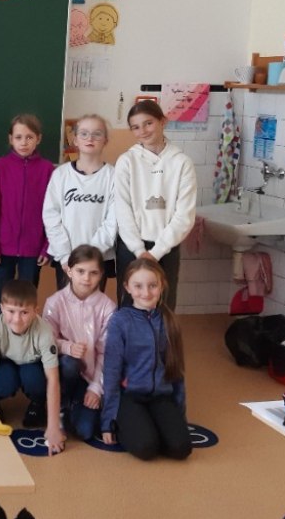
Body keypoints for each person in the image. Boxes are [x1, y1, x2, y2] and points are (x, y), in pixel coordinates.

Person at [101, 257, 190, 461]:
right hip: (130, 396)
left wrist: (179, 415)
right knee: (146, 448)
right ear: (127, 287)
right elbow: (111, 371)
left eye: (152, 285)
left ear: (162, 285)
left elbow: (177, 371)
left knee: (181, 448)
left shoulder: (169, 321)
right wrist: (108, 420)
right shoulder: (120, 321)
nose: (146, 293)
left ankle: (152, 423)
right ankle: (130, 423)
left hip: (160, 396)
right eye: (138, 286)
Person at [113, 99, 197, 312]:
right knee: (130, 308)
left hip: (166, 247)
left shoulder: (182, 162)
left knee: (164, 308)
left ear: (163, 121)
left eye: (148, 123)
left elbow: (184, 215)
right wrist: (139, 250)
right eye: (135, 127)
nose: (143, 131)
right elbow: (122, 210)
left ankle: (161, 338)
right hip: (131, 247)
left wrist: (156, 252)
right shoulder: (126, 161)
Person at [0, 279, 65, 455]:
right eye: (11, 311)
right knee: (4, 380)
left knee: (34, 378)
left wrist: (53, 427)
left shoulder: (44, 331)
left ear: (35, 310)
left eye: (24, 312)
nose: (17, 319)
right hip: (7, 364)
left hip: (31, 364)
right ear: (2, 308)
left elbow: (53, 378)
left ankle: (37, 404)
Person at [42, 244, 115, 441]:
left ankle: (75, 403)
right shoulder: (55, 302)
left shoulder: (107, 307)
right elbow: (46, 342)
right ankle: (60, 403)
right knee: (69, 363)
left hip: (91, 376)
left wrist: (95, 388)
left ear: (101, 275)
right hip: (64, 372)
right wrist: (67, 347)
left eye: (93, 273)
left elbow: (107, 352)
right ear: (69, 271)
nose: (86, 278)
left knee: (85, 431)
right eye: (80, 271)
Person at [0, 113, 53, 312]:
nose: (24, 142)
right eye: (18, 137)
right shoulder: (0, 167)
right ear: (10, 139)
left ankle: (25, 333)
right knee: (2, 299)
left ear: (38, 139)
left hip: (34, 249)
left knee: (26, 300)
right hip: (2, 248)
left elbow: (53, 212)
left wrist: (46, 246)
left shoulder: (48, 170)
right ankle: (0, 331)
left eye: (29, 137)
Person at [43, 113, 118, 291]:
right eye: (84, 133)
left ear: (105, 140)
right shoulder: (61, 175)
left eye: (97, 134)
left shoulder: (114, 176)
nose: (90, 138)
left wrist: (90, 257)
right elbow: (51, 216)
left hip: (99, 258)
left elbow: (113, 221)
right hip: (67, 259)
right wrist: (65, 255)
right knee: (66, 305)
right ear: (75, 139)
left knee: (94, 306)